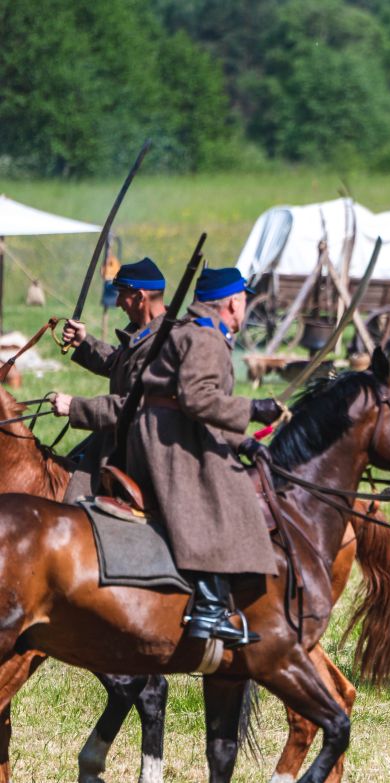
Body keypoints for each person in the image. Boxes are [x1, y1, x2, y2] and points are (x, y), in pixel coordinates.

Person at [123, 267, 285, 648]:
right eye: (244, 299)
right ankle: (209, 610)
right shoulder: (207, 338)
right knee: (224, 498)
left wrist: (243, 442)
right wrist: (254, 408)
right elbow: (198, 400)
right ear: (233, 302)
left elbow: (201, 407)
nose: (244, 306)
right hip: (169, 441)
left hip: (172, 430)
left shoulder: (197, 331)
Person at [50, 258, 168, 501]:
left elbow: (132, 407)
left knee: (73, 499)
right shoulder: (145, 331)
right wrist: (84, 343)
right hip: (113, 439)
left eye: (121, 294)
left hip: (138, 451)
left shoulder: (165, 343)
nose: (116, 303)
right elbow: (120, 362)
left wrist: (75, 407)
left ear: (139, 296)